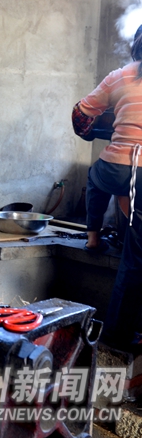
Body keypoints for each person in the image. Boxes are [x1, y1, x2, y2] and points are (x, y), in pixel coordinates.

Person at [72, 26, 142, 348]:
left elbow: (81, 115)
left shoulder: (120, 75)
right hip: (137, 177)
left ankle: (92, 238)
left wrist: (98, 128)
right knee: (134, 252)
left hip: (116, 168)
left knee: (95, 175)